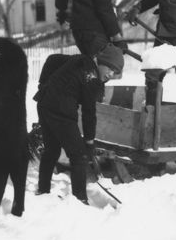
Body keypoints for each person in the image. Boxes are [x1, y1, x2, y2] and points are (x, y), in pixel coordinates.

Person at [34, 44, 124, 204]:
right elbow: (89, 113)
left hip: (44, 104)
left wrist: (44, 84)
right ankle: (80, 200)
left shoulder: (81, 60)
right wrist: (89, 142)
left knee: (52, 151)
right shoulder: (92, 79)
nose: (111, 74)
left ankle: (43, 191)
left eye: (115, 72)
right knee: (79, 156)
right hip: (61, 111)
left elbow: (53, 59)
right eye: (110, 68)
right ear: (102, 62)